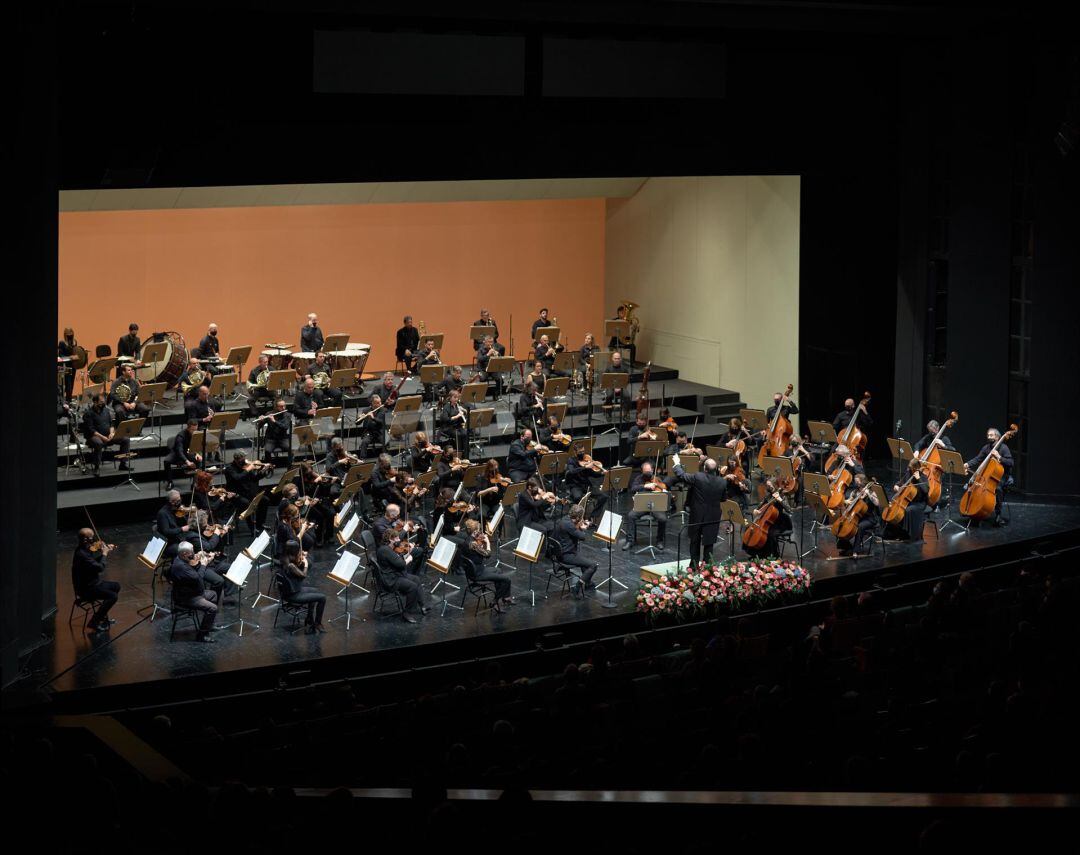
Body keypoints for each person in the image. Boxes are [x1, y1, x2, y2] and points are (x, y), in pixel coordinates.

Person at [668, 455, 729, 565]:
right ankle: (707, 567)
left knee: (695, 540)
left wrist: (677, 463)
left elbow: (681, 475)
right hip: (713, 515)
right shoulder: (722, 482)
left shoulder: (698, 477)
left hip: (697, 514)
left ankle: (694, 565)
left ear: (705, 468)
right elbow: (723, 499)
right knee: (709, 542)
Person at [71, 528, 120, 632]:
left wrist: (104, 551)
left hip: (93, 583)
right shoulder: (81, 554)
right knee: (113, 596)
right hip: (87, 589)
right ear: (85, 540)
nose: (93, 541)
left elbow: (93, 564)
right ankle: (94, 621)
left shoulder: (85, 549)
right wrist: (104, 554)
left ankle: (102, 616)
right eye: (91, 538)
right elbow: (100, 568)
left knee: (116, 586)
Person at [167, 542, 218, 642]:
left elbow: (191, 573)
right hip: (187, 598)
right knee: (213, 608)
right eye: (192, 552)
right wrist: (203, 564)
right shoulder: (181, 566)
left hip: (193, 593)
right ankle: (202, 635)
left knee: (213, 594)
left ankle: (208, 625)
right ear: (185, 554)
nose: (193, 554)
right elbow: (198, 578)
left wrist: (198, 557)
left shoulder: (180, 559)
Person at [375, 529, 429, 622]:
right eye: (396, 538)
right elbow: (401, 564)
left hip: (395, 574)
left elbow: (397, 561)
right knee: (413, 587)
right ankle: (407, 612)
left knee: (416, 579)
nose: (398, 540)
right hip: (390, 580)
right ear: (390, 539)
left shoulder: (388, 548)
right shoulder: (385, 550)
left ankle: (423, 605)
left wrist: (407, 553)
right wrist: (410, 557)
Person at [964, 427, 1014, 526]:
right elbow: (978, 459)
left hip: (1001, 476)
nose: (989, 437)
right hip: (987, 475)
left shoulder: (1003, 448)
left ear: (997, 436)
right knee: (971, 486)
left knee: (998, 489)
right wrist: (968, 464)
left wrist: (999, 457)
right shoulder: (986, 448)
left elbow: (1011, 462)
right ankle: (977, 511)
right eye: (988, 435)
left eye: (991, 435)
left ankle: (998, 514)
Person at [459, 519, 513, 610]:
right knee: (507, 579)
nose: (480, 532)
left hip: (475, 570)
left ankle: (506, 597)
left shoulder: (467, 539)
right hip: (478, 574)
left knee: (499, 570)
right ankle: (495, 601)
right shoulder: (473, 544)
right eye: (478, 530)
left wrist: (480, 542)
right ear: (474, 531)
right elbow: (487, 555)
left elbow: (476, 553)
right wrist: (487, 542)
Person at [278, 539, 327, 633]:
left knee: (315, 591)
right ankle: (317, 623)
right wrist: (306, 565)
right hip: (294, 595)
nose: (299, 552)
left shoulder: (284, 559)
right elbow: (303, 575)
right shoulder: (291, 566)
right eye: (298, 550)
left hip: (292, 590)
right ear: (293, 551)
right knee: (322, 598)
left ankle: (309, 618)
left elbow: (296, 570)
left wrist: (301, 559)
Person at [553, 506, 599, 596]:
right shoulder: (569, 526)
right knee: (593, 565)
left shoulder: (565, 519)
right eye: (581, 517)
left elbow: (573, 529)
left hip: (561, 552)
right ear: (578, 518)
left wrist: (578, 525)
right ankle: (577, 587)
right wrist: (583, 528)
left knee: (584, 562)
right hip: (566, 556)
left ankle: (588, 583)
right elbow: (582, 537)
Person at [623, 462, 669, 551]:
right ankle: (630, 541)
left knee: (663, 519)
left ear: (652, 470)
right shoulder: (639, 479)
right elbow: (632, 489)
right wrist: (645, 485)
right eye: (646, 472)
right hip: (642, 505)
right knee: (630, 516)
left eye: (649, 471)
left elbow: (664, 489)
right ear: (642, 471)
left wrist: (661, 490)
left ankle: (659, 541)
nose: (648, 474)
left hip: (656, 506)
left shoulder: (657, 479)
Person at [81, 393, 131, 475]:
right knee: (98, 443)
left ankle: (123, 464)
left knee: (125, 439)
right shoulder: (88, 414)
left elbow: (111, 424)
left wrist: (112, 433)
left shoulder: (106, 410)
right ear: (95, 402)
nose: (103, 403)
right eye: (101, 402)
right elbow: (91, 430)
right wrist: (103, 437)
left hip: (108, 436)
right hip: (94, 437)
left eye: (104, 401)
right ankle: (96, 467)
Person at [743, 479, 793, 558]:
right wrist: (756, 510)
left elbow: (789, 510)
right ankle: (755, 554)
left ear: (775, 485)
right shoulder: (769, 496)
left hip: (779, 521)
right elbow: (760, 505)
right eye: (768, 486)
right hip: (767, 519)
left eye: (771, 486)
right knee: (749, 528)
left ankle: (772, 556)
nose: (769, 488)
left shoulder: (782, 495)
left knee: (769, 534)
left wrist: (779, 499)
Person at [884, 458, 930, 541]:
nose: (909, 469)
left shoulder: (923, 477)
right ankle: (895, 533)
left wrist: (918, 478)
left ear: (916, 468)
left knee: (908, 510)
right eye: (909, 468)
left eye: (911, 468)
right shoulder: (908, 473)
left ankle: (907, 534)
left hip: (919, 503)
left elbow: (926, 490)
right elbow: (901, 482)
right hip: (909, 500)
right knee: (895, 509)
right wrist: (897, 485)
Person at [835, 473, 881, 557]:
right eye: (856, 482)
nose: (856, 484)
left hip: (870, 518)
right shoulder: (855, 492)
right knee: (842, 525)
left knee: (859, 527)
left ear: (863, 482)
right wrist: (845, 501)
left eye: (858, 482)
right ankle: (846, 547)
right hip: (857, 516)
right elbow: (849, 501)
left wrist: (869, 494)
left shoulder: (871, 492)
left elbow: (877, 503)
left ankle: (855, 551)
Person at [224, 451, 269, 535]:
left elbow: (254, 478)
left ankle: (260, 524)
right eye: (243, 459)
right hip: (235, 495)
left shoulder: (245, 466)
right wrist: (248, 469)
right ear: (237, 460)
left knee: (264, 500)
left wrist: (263, 471)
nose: (245, 460)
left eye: (244, 458)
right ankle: (252, 527)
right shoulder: (229, 468)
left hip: (247, 493)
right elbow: (238, 478)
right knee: (247, 503)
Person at [565, 448, 608, 524]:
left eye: (583, 451)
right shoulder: (571, 460)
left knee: (603, 496)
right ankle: (580, 518)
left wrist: (601, 473)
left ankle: (592, 516)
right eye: (580, 452)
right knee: (578, 497)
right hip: (575, 485)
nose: (582, 454)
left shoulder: (587, 459)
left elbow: (592, 474)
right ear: (575, 452)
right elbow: (571, 471)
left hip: (586, 485)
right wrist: (585, 467)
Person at [156, 490, 193, 560]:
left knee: (194, 539)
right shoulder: (163, 514)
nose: (180, 502)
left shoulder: (175, 509)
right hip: (168, 544)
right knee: (185, 550)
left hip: (177, 538)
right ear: (172, 502)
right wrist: (182, 529)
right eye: (178, 500)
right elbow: (166, 532)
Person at [163, 420, 201, 488]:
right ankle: (170, 482)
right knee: (166, 461)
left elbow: (197, 445)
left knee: (198, 460)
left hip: (188, 452)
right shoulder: (180, 436)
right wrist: (187, 461)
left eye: (196, 429)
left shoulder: (196, 433)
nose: (195, 431)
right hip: (176, 454)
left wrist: (197, 453)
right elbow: (179, 451)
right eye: (193, 430)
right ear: (188, 428)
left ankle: (195, 483)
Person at [260, 397, 292, 466]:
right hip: (271, 439)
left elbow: (285, 427)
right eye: (281, 406)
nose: (283, 408)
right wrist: (261, 420)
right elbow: (259, 427)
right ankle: (269, 467)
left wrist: (274, 421)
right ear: (276, 407)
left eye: (284, 406)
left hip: (282, 438)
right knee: (267, 450)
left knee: (290, 448)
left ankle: (290, 466)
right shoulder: (269, 414)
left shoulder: (287, 415)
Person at [356, 393, 386, 459]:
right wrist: (359, 418)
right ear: (372, 403)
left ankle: (385, 458)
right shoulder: (366, 410)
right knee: (364, 442)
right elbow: (357, 423)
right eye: (377, 403)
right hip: (369, 432)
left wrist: (373, 418)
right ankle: (362, 459)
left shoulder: (382, 410)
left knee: (386, 441)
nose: (380, 404)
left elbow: (381, 422)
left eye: (380, 402)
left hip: (379, 431)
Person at [57, 327, 78, 399]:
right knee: (67, 385)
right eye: (68, 334)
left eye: (71, 334)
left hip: (73, 366)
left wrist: (76, 356)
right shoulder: (62, 343)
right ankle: (63, 402)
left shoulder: (75, 341)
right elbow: (60, 355)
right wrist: (70, 357)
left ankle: (69, 400)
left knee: (71, 385)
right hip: (65, 366)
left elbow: (75, 351)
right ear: (65, 334)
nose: (70, 335)